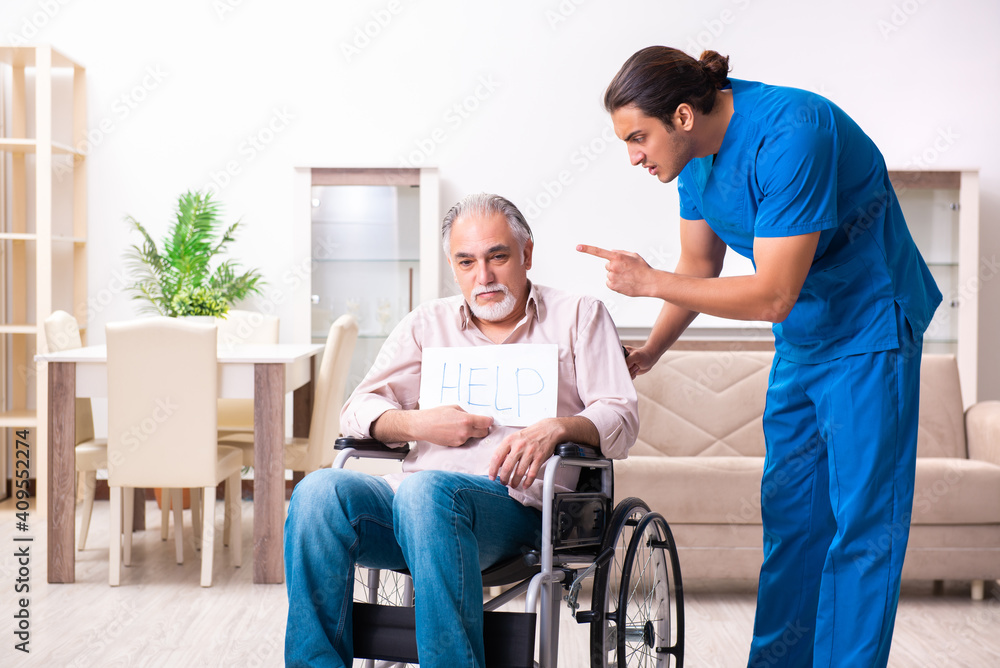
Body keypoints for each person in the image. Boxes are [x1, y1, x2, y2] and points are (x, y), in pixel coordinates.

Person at [578, 47, 941, 667]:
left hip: (868, 325)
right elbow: (700, 265)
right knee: (794, 522)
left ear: (684, 115)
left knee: (861, 526)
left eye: (638, 138)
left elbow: (773, 293)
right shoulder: (692, 158)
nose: (633, 155)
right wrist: (651, 351)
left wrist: (648, 281)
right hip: (802, 339)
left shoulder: (793, 132)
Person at [284, 193, 638, 667]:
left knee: (428, 492)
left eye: (498, 256)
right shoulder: (427, 324)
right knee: (317, 492)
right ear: (453, 266)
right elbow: (356, 410)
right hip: (412, 503)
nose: (484, 277)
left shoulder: (579, 316)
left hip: (514, 510)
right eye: (467, 262)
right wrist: (416, 422)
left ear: (527, 254)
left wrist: (557, 426)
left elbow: (621, 415)